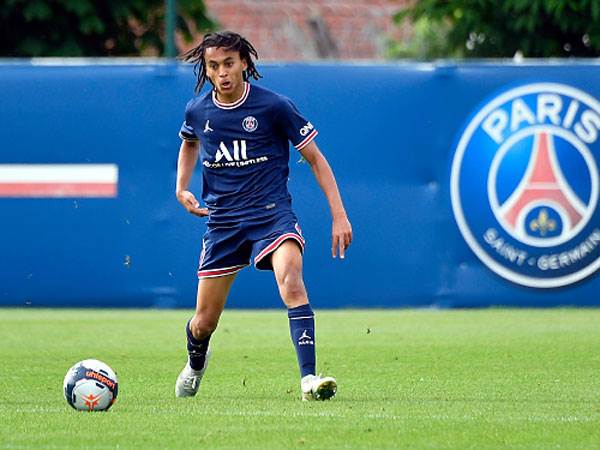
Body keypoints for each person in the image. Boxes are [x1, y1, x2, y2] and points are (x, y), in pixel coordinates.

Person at [174, 31, 352, 401]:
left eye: (228, 64)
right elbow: (189, 141)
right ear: (206, 70)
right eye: (213, 66)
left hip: (271, 215)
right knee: (204, 322)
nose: (222, 73)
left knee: (291, 279)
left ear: (244, 63)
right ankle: (195, 363)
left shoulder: (274, 107)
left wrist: (339, 215)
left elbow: (317, 160)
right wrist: (182, 188)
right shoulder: (198, 110)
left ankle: (308, 379)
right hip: (223, 222)